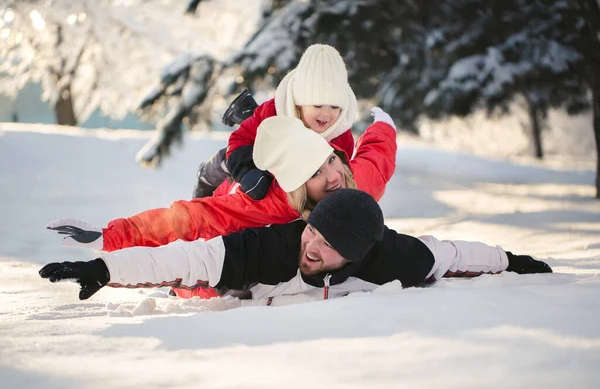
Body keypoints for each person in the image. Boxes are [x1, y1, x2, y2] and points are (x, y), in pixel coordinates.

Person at [39, 189, 553, 302]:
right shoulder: (275, 246)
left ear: (355, 255)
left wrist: (511, 261)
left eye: (327, 246)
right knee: (193, 282)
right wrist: (106, 269)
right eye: (313, 230)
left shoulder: (397, 257)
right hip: (229, 293)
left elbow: (454, 254)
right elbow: (188, 258)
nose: (311, 245)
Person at [46, 110, 396, 253]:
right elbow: (185, 219)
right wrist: (108, 236)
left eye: (331, 159)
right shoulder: (264, 208)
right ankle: (215, 168)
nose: (334, 176)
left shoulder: (353, 185)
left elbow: (378, 153)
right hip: (233, 194)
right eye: (316, 173)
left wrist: (383, 121)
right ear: (297, 186)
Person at [193, 43, 359, 200]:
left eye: (335, 107)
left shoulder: (341, 136)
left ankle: (247, 113)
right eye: (317, 105)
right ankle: (207, 176)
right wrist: (246, 172)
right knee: (234, 156)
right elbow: (240, 139)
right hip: (262, 156)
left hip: (292, 175)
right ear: (299, 103)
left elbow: (341, 172)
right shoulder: (274, 112)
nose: (327, 114)